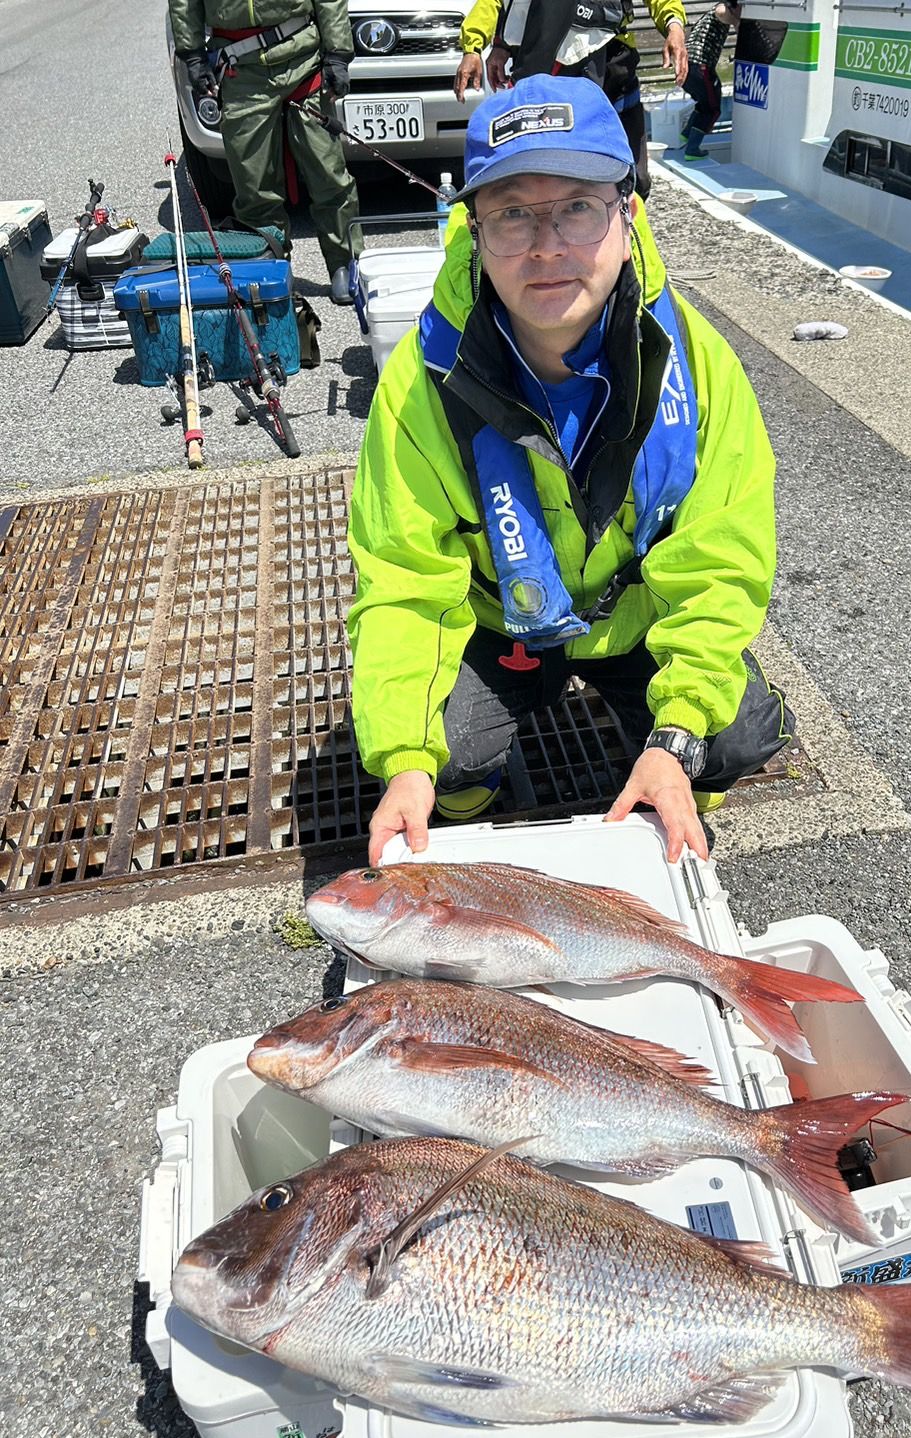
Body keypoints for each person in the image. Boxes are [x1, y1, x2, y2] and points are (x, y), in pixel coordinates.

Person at [348, 73, 794, 868]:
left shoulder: (697, 363)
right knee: (446, 759)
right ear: (473, 231)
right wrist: (406, 759)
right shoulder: (420, 383)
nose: (546, 246)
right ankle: (464, 796)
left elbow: (720, 561)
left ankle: (671, 781)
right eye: (512, 214)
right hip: (501, 622)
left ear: (628, 215)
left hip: (634, 618)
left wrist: (678, 732)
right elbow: (403, 579)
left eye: (578, 207)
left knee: (730, 736)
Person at [169, 0, 362, 302]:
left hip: (302, 59)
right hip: (240, 67)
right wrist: (192, 54)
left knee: (328, 174)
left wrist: (337, 53)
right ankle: (271, 269)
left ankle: (345, 263)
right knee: (254, 186)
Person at [453, 0, 688, 199]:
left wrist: (674, 26)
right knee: (565, 181)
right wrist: (479, 47)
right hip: (551, 72)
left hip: (612, 64)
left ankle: (629, 230)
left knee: (635, 180)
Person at [679, 1, 743, 161]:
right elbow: (721, 11)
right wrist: (737, 22)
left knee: (704, 103)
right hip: (700, 66)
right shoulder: (722, 8)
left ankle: (686, 135)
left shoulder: (708, 16)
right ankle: (692, 149)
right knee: (713, 109)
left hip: (686, 67)